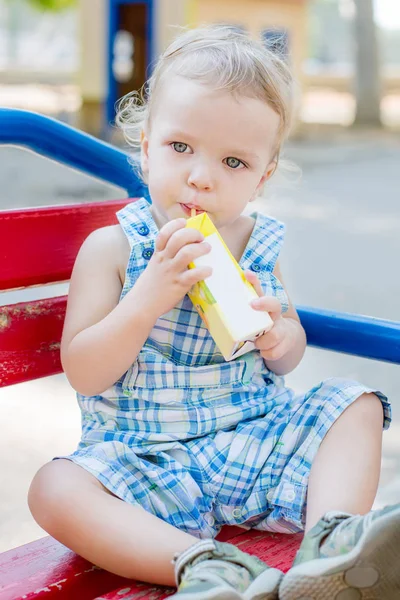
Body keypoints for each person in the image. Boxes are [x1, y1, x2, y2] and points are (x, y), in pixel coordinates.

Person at [28, 25, 397, 600]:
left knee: (356, 405)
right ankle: (206, 567)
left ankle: (333, 548)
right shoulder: (116, 250)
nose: (202, 176)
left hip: (252, 442)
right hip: (145, 462)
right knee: (54, 487)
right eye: (181, 148)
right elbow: (85, 370)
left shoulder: (258, 245)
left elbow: (288, 352)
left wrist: (279, 334)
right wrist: (148, 296)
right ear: (146, 148)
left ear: (262, 177)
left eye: (232, 161)